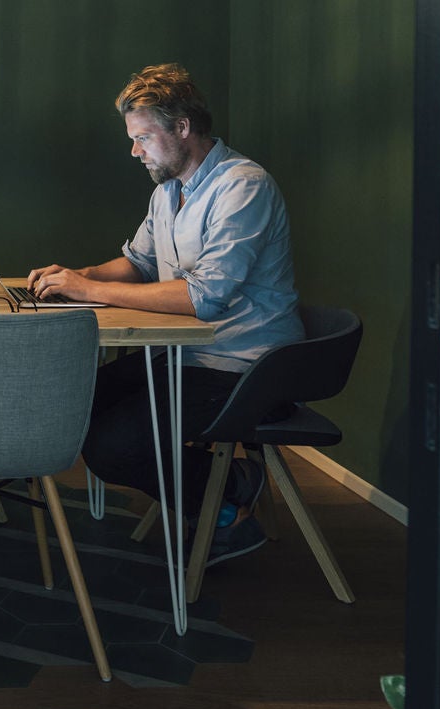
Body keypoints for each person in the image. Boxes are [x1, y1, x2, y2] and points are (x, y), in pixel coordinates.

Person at [26, 63, 302, 564]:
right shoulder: (168, 191)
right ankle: (228, 482)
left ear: (183, 128)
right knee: (77, 402)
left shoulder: (243, 186)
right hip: (188, 354)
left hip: (247, 364)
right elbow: (138, 263)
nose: (135, 151)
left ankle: (228, 510)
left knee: (112, 447)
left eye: (143, 138)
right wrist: (74, 276)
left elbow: (205, 298)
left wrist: (90, 289)